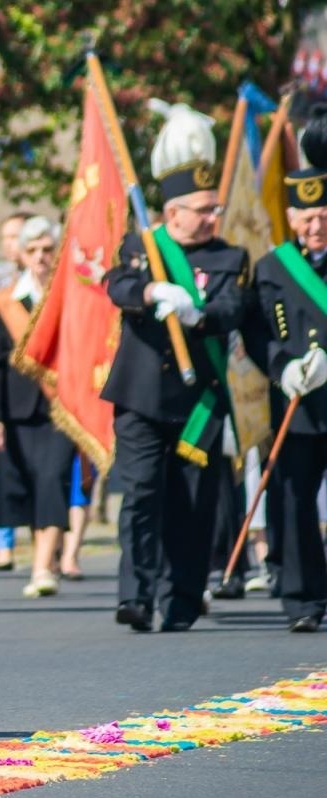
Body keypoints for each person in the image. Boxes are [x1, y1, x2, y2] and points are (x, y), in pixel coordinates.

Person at [103, 146, 248, 632]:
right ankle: (136, 596)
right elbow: (116, 285)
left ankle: (182, 599)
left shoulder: (229, 256)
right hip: (140, 397)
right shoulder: (143, 246)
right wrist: (150, 291)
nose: (211, 217)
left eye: (214, 208)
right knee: (140, 494)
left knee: (192, 502)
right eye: (203, 209)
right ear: (172, 213)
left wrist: (197, 314)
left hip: (198, 401)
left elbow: (234, 308)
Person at [241, 160, 327, 632]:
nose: (315, 227)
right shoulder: (272, 268)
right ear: (291, 218)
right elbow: (255, 331)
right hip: (297, 405)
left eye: (323, 217)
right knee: (293, 502)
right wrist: (282, 367)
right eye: (307, 218)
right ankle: (303, 599)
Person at [0, 216, 79, 598]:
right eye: (33, 250)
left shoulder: (73, 297)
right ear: (21, 255)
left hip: (61, 409)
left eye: (47, 249)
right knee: (27, 486)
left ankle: (41, 568)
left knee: (53, 479)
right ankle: (43, 558)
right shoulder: (5, 301)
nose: (40, 257)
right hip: (17, 411)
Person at [0, 211, 36, 569]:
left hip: (41, 391)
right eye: (6, 238)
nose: (10, 245)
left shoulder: (53, 281)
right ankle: (4, 543)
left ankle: (48, 546)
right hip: (6, 387)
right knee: (2, 469)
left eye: (16, 236)